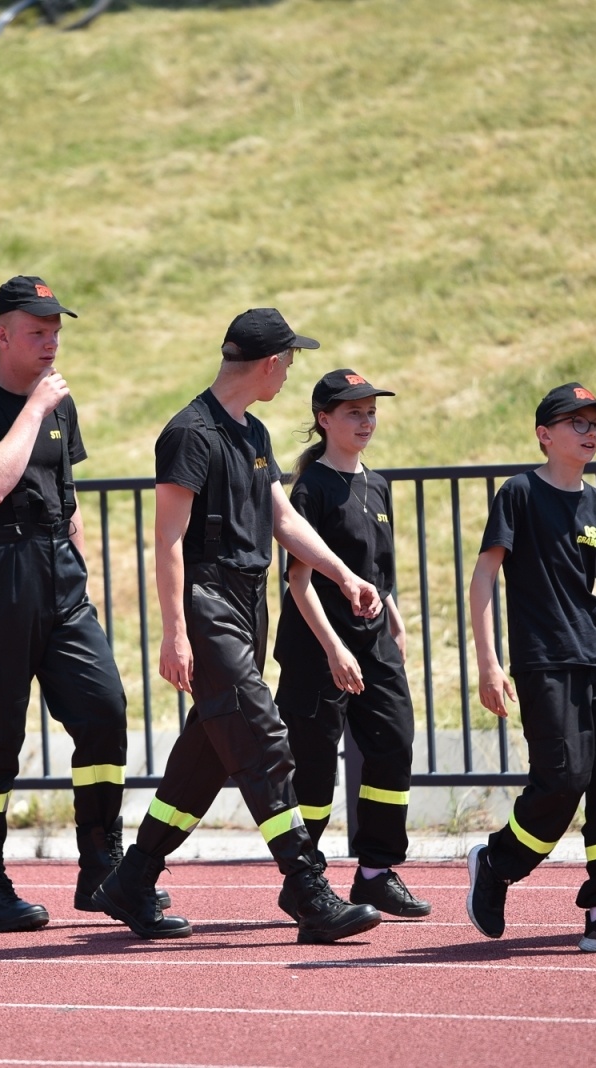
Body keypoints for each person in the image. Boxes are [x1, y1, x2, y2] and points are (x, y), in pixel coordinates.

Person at [92, 308, 386, 944]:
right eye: (290, 361)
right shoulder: (189, 433)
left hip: (248, 604)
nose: (289, 373)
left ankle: (132, 878)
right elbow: (167, 539)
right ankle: (306, 888)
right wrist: (175, 632)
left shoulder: (254, 432)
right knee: (263, 737)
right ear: (270, 363)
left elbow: (282, 519)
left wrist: (342, 575)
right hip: (207, 604)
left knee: (204, 757)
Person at [0, 275, 143, 932]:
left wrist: (82, 574)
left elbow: (67, 495)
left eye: (56, 329)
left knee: (105, 710)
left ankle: (101, 868)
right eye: (37, 330)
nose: (51, 341)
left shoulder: (61, 405)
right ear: (2, 334)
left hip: (59, 573)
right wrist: (33, 407)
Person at [464, 382, 596, 953]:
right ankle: (499, 862)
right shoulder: (519, 494)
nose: (591, 433)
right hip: (544, 661)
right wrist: (488, 662)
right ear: (544, 434)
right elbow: (483, 578)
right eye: (579, 423)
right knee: (564, 778)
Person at [271, 369, 430, 919]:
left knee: (394, 742)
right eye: (353, 413)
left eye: (370, 412)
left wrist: (395, 617)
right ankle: (307, 878)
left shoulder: (378, 483)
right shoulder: (310, 487)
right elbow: (298, 581)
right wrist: (334, 649)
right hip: (318, 647)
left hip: (374, 640)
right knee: (313, 766)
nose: (365, 422)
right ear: (324, 420)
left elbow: (377, 571)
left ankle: (376, 872)